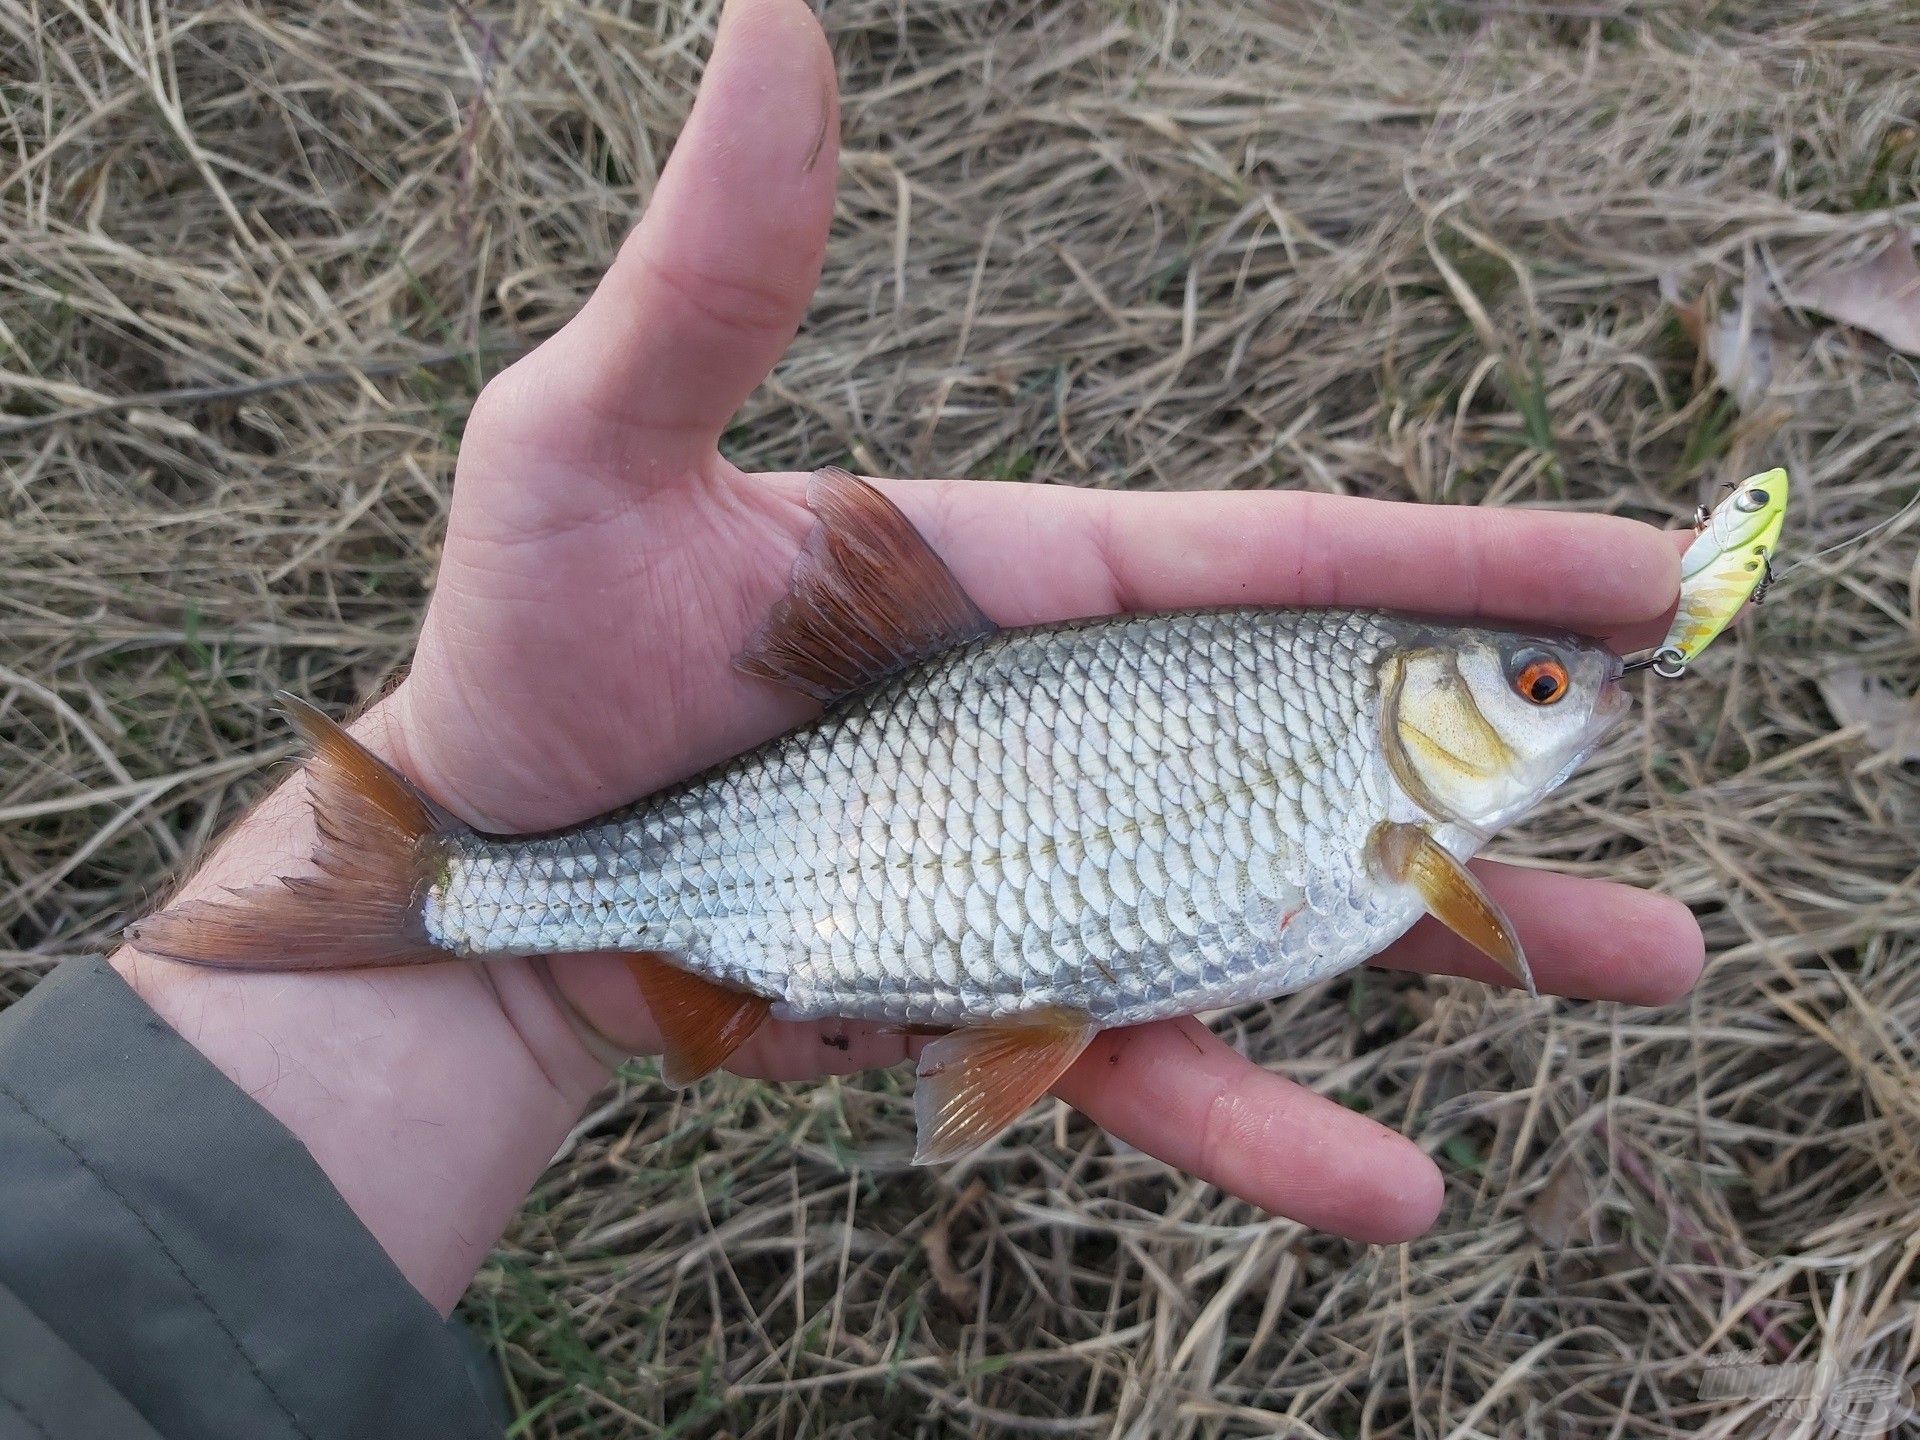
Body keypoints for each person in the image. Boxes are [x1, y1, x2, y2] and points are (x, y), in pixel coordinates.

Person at [0, 0, 1705, 1434]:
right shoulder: (1404, 837)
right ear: (1427, 712)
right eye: (1536, 685)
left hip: (859, 908)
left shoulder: (1414, 840)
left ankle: (410, 896)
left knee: (1029, 1034)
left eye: (1541, 685)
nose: (1569, 701)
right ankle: (422, 888)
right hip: (804, 873)